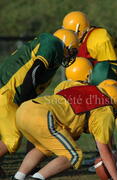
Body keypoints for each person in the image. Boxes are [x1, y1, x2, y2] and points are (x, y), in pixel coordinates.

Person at [0, 28, 79, 177]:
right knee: (13, 139)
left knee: (31, 127)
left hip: (8, 93)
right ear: (66, 45)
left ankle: (31, 166)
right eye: (72, 50)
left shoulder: (51, 50)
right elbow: (34, 71)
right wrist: (25, 101)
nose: (72, 55)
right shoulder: (53, 44)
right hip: (7, 93)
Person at [12, 79, 117, 180]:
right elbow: (105, 152)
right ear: (114, 104)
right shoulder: (105, 109)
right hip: (42, 116)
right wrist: (116, 178)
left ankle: (18, 177)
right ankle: (36, 179)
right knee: (74, 156)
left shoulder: (80, 85)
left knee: (43, 148)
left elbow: (61, 87)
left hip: (25, 109)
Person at [62, 11, 117, 85]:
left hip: (107, 81)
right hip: (85, 79)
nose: (68, 35)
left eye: (70, 32)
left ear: (79, 28)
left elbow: (108, 69)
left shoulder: (98, 37)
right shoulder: (77, 41)